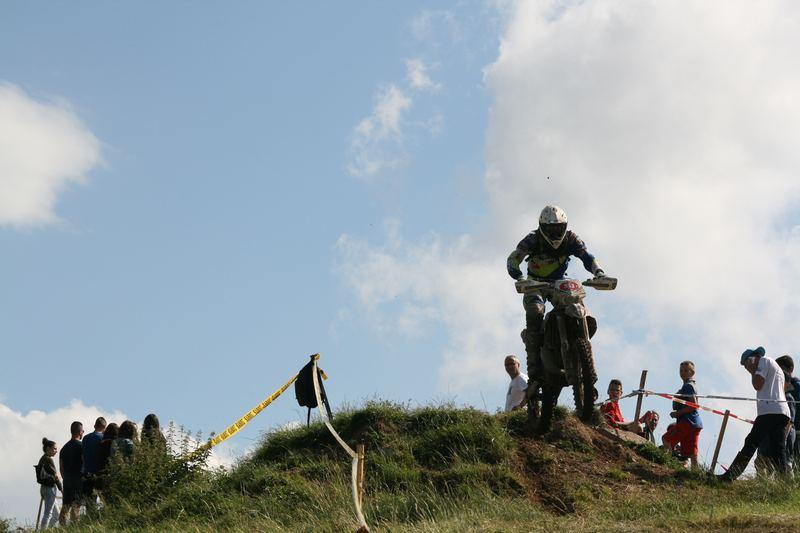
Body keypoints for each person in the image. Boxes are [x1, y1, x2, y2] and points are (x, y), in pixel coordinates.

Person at [506, 205, 607, 385]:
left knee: (576, 302)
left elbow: (587, 256)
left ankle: (582, 346)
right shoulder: (532, 239)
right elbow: (513, 259)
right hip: (535, 283)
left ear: (565, 226)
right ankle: (534, 368)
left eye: (559, 228)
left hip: (560, 281)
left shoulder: (571, 238)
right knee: (535, 312)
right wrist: (519, 277)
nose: (555, 233)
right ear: (542, 227)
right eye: (551, 229)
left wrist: (598, 272)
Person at [717, 347, 792, 482]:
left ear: (752, 358)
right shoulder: (774, 367)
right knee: (778, 449)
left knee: (751, 443)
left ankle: (729, 477)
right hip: (782, 412)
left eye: (746, 364)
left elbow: (757, 385)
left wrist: (753, 371)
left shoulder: (763, 361)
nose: (746, 368)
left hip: (769, 411)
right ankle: (785, 482)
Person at [661, 361, 703, 469]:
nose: (683, 373)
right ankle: (695, 475)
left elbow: (694, 405)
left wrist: (677, 413)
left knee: (666, 439)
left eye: (686, 370)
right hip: (695, 423)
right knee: (692, 454)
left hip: (687, 421)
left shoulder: (688, 386)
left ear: (692, 372)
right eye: (681, 370)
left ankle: (667, 467)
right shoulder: (692, 385)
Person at [59, 421, 84, 525]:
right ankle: (74, 528)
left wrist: (65, 477)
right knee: (76, 506)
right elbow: (84, 461)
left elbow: (61, 467)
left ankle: (62, 528)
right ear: (80, 432)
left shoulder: (64, 448)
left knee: (65, 506)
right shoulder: (81, 446)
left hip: (67, 479)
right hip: (78, 479)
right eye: (82, 430)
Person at [36, 438, 62, 529]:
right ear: (48, 448)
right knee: (48, 514)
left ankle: (49, 530)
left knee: (57, 514)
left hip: (44, 488)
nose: (56, 451)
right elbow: (55, 476)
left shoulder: (42, 458)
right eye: (54, 449)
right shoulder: (48, 459)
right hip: (49, 488)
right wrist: (61, 489)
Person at [81, 417, 106, 510]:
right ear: (104, 427)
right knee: (104, 501)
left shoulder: (85, 438)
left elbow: (82, 456)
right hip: (99, 474)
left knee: (90, 503)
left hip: (87, 473)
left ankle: (90, 518)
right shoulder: (103, 438)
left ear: (95, 426)